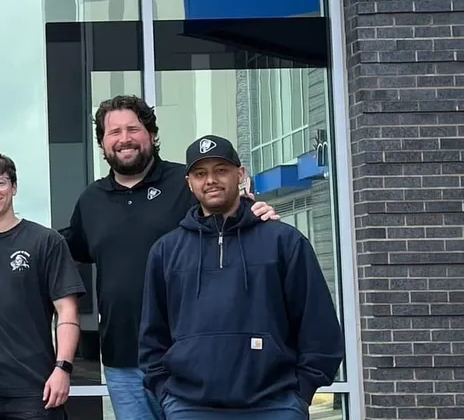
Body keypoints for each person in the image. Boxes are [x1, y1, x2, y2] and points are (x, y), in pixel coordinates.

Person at [58, 95, 279, 420]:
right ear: (102, 143)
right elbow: (61, 249)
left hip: (189, 357)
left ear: (151, 133)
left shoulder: (187, 184)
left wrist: (257, 212)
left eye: (133, 129)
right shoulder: (92, 200)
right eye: (114, 132)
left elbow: (234, 221)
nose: (124, 139)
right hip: (124, 362)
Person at [139, 135, 344, 420]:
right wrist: (166, 394)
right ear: (189, 183)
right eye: (200, 174)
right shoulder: (166, 251)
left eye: (221, 170)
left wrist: (302, 392)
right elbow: (152, 336)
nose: (211, 180)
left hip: (275, 405)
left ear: (240, 174)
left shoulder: (283, 242)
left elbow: (318, 325)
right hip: (190, 407)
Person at [0, 153, 85, 420]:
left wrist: (63, 368)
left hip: (35, 389)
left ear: (14, 187)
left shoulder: (46, 241)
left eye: (0, 182)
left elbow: (67, 311)